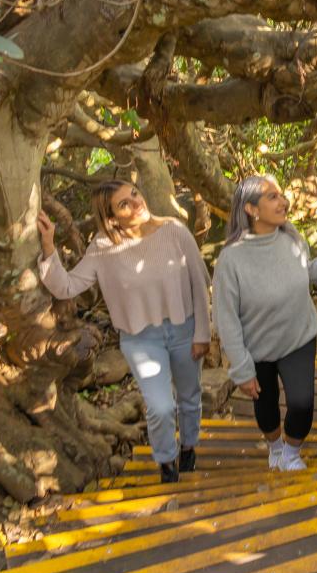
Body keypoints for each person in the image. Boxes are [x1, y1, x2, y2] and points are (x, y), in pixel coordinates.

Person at [35, 180, 211, 483]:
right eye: (124, 204)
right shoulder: (103, 248)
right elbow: (67, 286)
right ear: (111, 217)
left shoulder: (174, 230)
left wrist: (203, 334)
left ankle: (189, 448)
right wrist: (49, 245)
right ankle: (167, 465)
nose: (136, 202)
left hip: (185, 328)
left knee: (189, 396)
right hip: (141, 340)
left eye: (134, 194)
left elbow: (199, 282)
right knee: (160, 407)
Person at [213, 175, 317, 472]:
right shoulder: (231, 260)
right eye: (272, 197)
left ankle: (291, 453)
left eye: (281, 195)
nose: (283, 201)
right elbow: (226, 319)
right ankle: (275, 447)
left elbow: (306, 270)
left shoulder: (290, 236)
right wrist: (241, 369)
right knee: (266, 406)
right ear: (251, 209)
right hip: (257, 348)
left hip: (299, 336)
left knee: (302, 403)